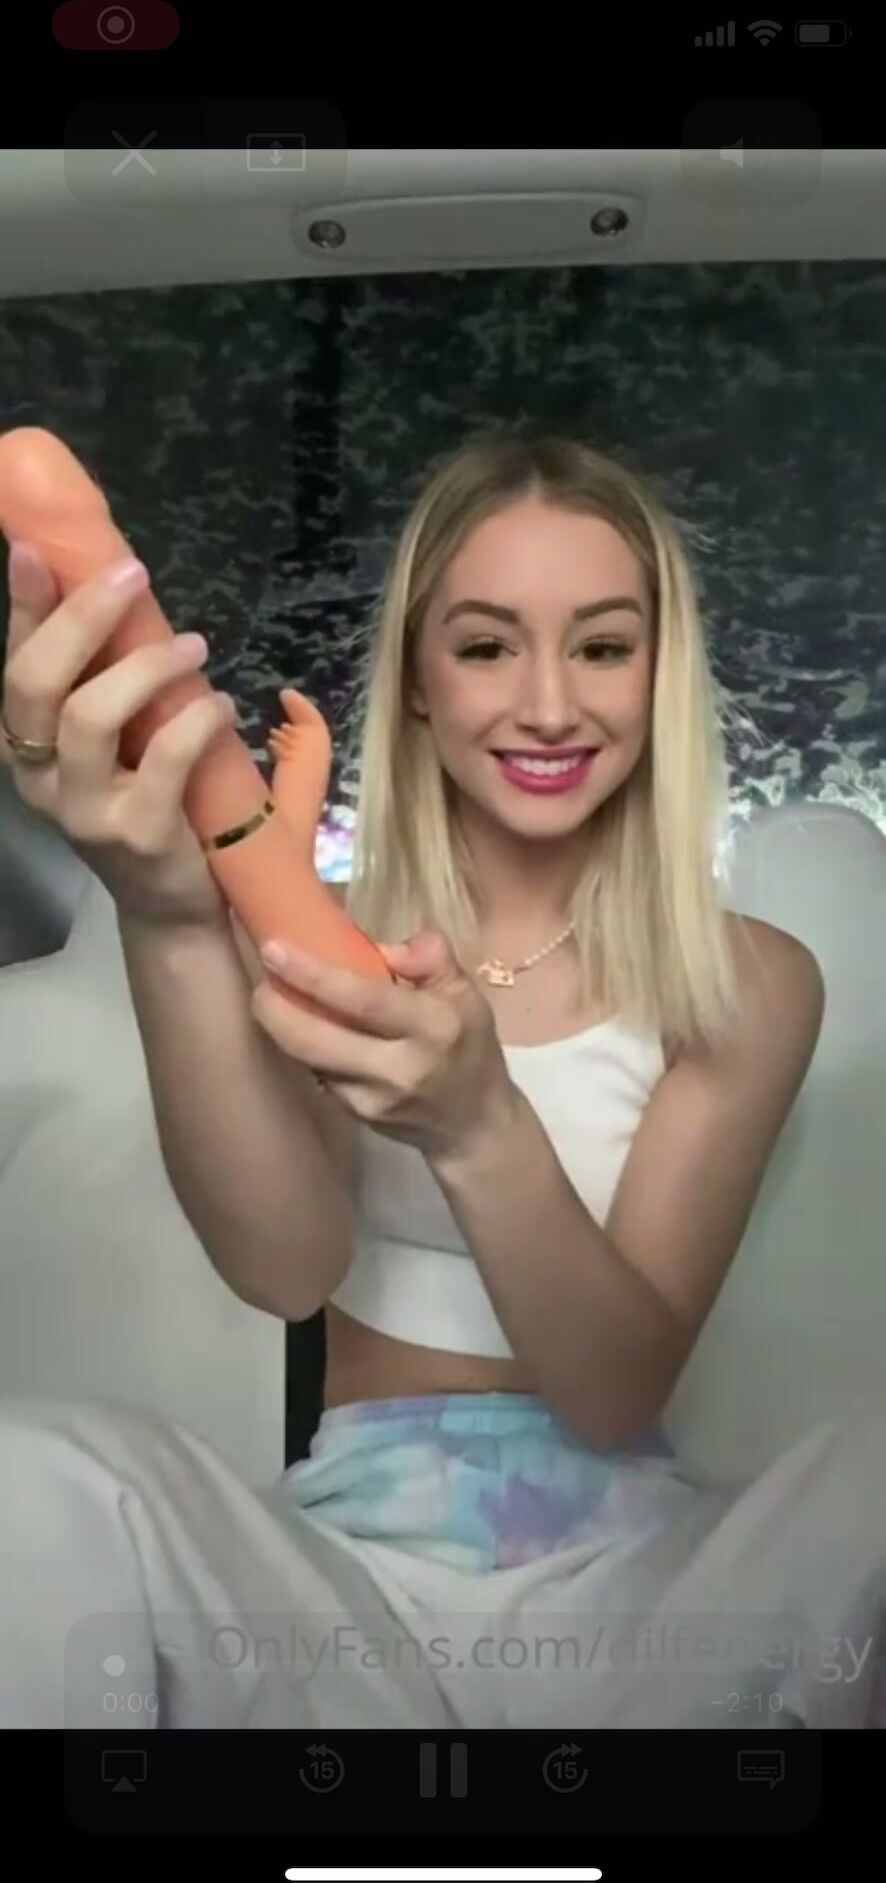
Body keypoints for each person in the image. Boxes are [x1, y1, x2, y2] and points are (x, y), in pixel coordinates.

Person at [1, 430, 884, 1731]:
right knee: (31, 1478)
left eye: (601, 646)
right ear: (416, 681)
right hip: (332, 1599)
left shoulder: (746, 978)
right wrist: (171, 918)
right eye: (484, 647)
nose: (548, 705)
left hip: (661, 1615)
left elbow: (613, 1391)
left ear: (659, 674)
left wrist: (478, 1127)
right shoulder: (316, 929)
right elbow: (288, 1267)